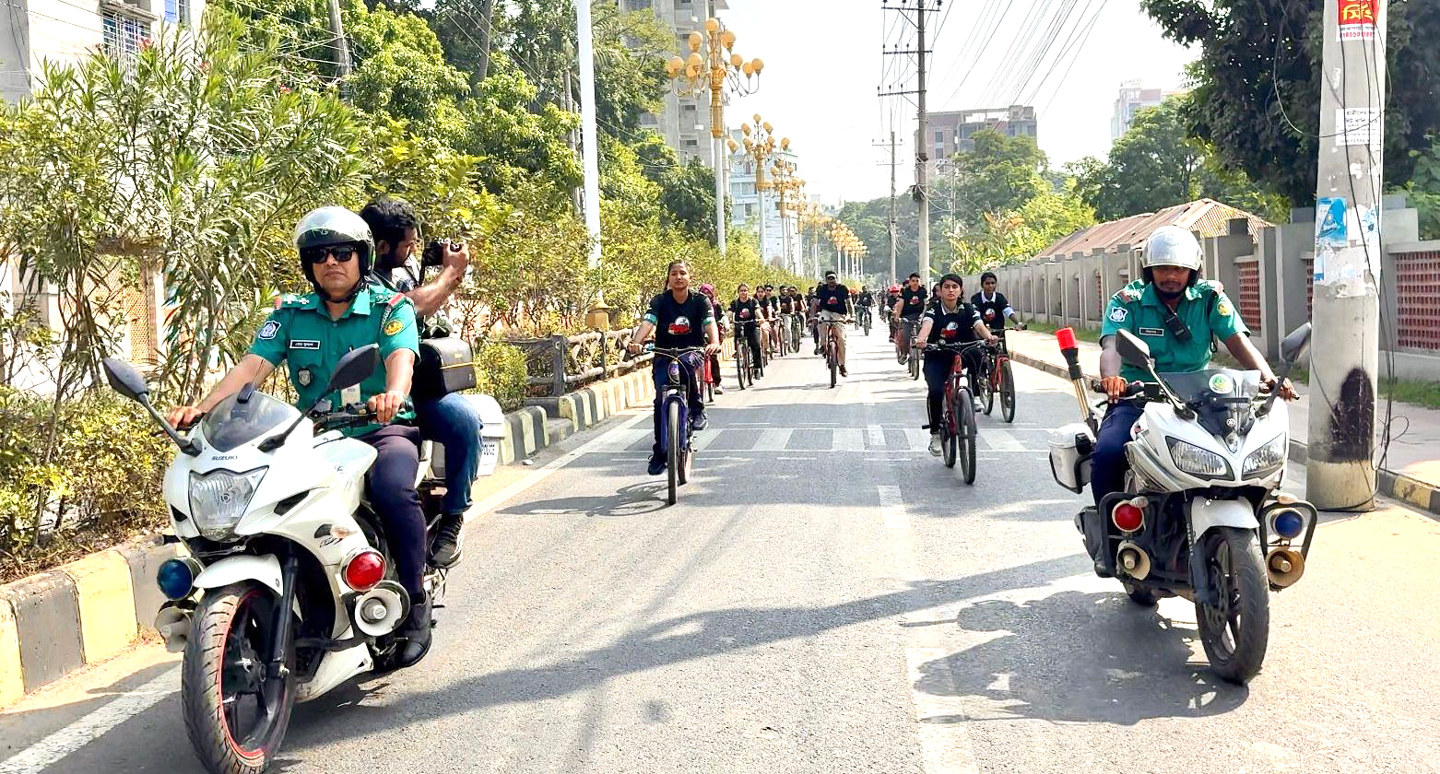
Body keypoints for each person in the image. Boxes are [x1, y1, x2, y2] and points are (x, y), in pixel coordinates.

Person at [167, 207, 435, 668]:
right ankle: (298, 610)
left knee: (393, 490)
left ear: (363, 256)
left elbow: (401, 357)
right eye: (319, 254)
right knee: (273, 506)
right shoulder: (290, 315)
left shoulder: (392, 307)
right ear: (308, 264)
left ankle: (415, 600)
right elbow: (252, 367)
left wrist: (393, 394)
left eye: (342, 252)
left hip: (381, 430)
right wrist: (205, 407)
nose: (331, 261)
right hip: (317, 437)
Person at [1092, 225, 1296, 508]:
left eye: (1179, 269)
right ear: (1149, 270)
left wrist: (1270, 378)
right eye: (1162, 268)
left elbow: (1238, 343)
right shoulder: (1129, 301)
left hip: (1200, 402)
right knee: (1109, 452)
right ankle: (1110, 535)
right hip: (1138, 398)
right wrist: (1112, 379)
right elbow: (1112, 346)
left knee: (1249, 458)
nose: (1171, 276)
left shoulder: (1210, 298)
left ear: (1194, 270)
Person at [360, 197, 479, 569]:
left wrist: (439, 269)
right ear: (380, 247)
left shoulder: (398, 266)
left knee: (464, 422)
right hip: (364, 398)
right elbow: (409, 306)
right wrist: (449, 275)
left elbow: (416, 297)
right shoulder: (357, 276)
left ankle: (453, 516)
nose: (412, 249)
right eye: (407, 243)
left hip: (411, 393)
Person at [628, 261, 721, 476]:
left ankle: (697, 408)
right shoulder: (660, 301)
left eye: (683, 273)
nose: (678, 277)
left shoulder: (700, 300)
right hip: (663, 353)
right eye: (674, 274)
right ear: (668, 278)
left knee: (687, 368)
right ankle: (660, 454)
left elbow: (709, 323)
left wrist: (713, 342)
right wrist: (636, 341)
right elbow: (648, 323)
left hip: (691, 351)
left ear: (690, 277)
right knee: (661, 401)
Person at [914, 273, 999, 456]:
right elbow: (927, 326)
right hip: (937, 354)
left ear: (961, 290)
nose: (951, 290)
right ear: (941, 290)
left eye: (955, 287)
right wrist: (921, 340)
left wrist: (989, 337)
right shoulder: (933, 309)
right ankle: (935, 433)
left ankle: (974, 395)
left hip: (963, 350)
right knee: (936, 391)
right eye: (947, 287)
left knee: (978, 354)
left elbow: (979, 325)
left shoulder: (968, 309)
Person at [810, 270, 852, 377]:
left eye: (833, 278)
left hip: (839, 314)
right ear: (826, 280)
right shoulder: (821, 289)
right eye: (829, 278)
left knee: (842, 339)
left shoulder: (842, 289)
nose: (831, 281)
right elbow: (814, 304)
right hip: (826, 312)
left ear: (836, 279)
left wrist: (852, 316)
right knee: (821, 320)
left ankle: (842, 365)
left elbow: (849, 303)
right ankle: (823, 345)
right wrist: (812, 316)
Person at [972, 271, 1026, 343]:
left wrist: (1017, 323)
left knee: (1002, 353)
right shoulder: (976, 298)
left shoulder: (1000, 297)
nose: (990, 286)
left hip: (999, 332)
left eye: (993, 283)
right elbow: (976, 315)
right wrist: (980, 327)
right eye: (987, 283)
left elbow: (1008, 311)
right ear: (982, 285)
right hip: (982, 333)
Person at [729, 284, 764, 380]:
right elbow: (730, 312)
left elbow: (757, 311)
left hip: (751, 325)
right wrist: (727, 320)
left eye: (745, 290)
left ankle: (757, 368)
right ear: (738, 292)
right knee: (737, 337)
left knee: (756, 346)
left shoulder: (753, 301)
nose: (743, 292)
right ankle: (738, 351)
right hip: (739, 325)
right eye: (741, 291)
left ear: (748, 291)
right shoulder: (735, 302)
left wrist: (761, 318)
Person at [891, 273, 929, 361]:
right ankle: (904, 354)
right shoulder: (905, 291)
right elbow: (900, 304)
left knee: (923, 335)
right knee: (906, 336)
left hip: (920, 316)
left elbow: (926, 303)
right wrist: (897, 316)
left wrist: (926, 315)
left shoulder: (923, 291)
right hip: (906, 316)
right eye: (913, 281)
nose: (915, 283)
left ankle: (923, 352)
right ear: (910, 282)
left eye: (917, 281)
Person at [698, 283, 725, 395]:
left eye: (708, 292)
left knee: (713, 357)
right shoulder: (696, 304)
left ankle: (717, 383)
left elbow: (723, 316)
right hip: (698, 334)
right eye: (703, 292)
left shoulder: (716, 306)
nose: (706, 294)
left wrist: (725, 323)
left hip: (713, 335)